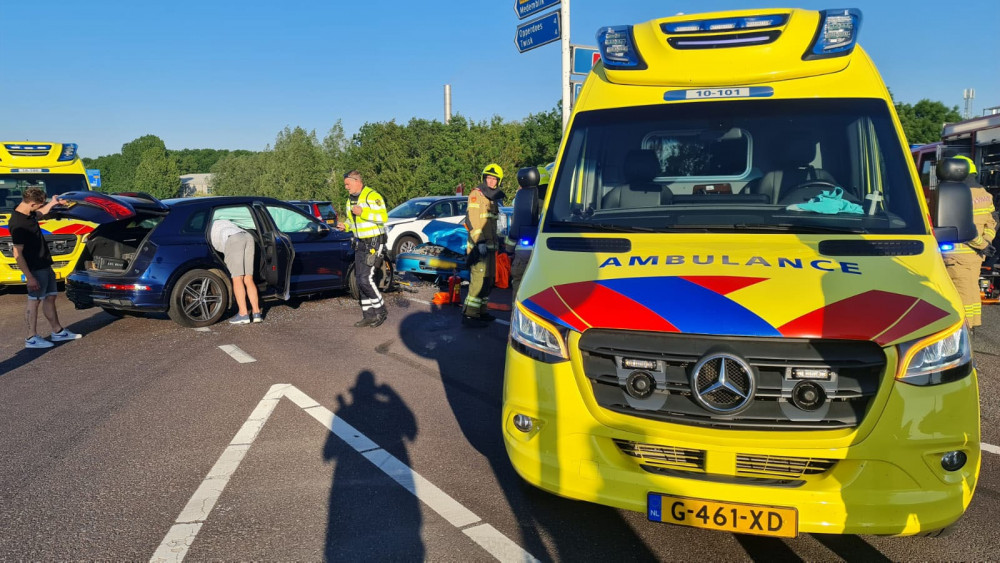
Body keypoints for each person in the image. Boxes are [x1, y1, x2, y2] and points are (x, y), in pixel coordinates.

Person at [10, 186, 82, 348]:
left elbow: (41, 213)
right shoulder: (18, 223)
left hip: (45, 264)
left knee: (50, 297)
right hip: (35, 268)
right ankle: (31, 338)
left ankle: (57, 332)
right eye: (40, 204)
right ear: (33, 204)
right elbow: (17, 253)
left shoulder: (28, 214)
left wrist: (53, 203)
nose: (41, 207)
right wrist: (29, 277)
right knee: (34, 301)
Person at [942, 155, 997, 332]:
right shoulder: (984, 194)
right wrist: (986, 243)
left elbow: (963, 227)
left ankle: (962, 332)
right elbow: (992, 222)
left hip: (957, 255)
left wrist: (981, 244)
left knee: (961, 294)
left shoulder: (954, 195)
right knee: (972, 291)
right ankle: (972, 327)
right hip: (975, 256)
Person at [339, 170, 389, 327]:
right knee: (359, 278)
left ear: (356, 181)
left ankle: (381, 310)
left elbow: (383, 217)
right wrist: (345, 225)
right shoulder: (350, 199)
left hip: (374, 242)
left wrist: (363, 212)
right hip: (359, 242)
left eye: (347, 184)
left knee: (365, 278)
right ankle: (368, 315)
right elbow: (351, 220)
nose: (346, 187)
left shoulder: (371, 196)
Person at [462, 163, 504, 328]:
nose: (491, 181)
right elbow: (471, 220)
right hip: (479, 247)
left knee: (488, 281)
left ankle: (481, 311)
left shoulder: (492, 198)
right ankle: (470, 315)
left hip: (491, 248)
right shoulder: (476, 194)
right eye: (489, 178)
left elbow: (493, 225)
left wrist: (498, 242)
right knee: (478, 281)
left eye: (494, 179)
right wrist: (479, 242)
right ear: (484, 178)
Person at [504, 163, 551, 299]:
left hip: (524, 251)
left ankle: (517, 317)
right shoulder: (555, 199)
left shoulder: (524, 199)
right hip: (547, 252)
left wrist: (508, 249)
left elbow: (515, 228)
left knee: (519, 284)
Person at [210, 218, 262, 324]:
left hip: (233, 239)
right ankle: (256, 313)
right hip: (247, 236)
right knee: (248, 278)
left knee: (237, 278)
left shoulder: (204, 224)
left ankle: (243, 314)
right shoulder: (223, 221)